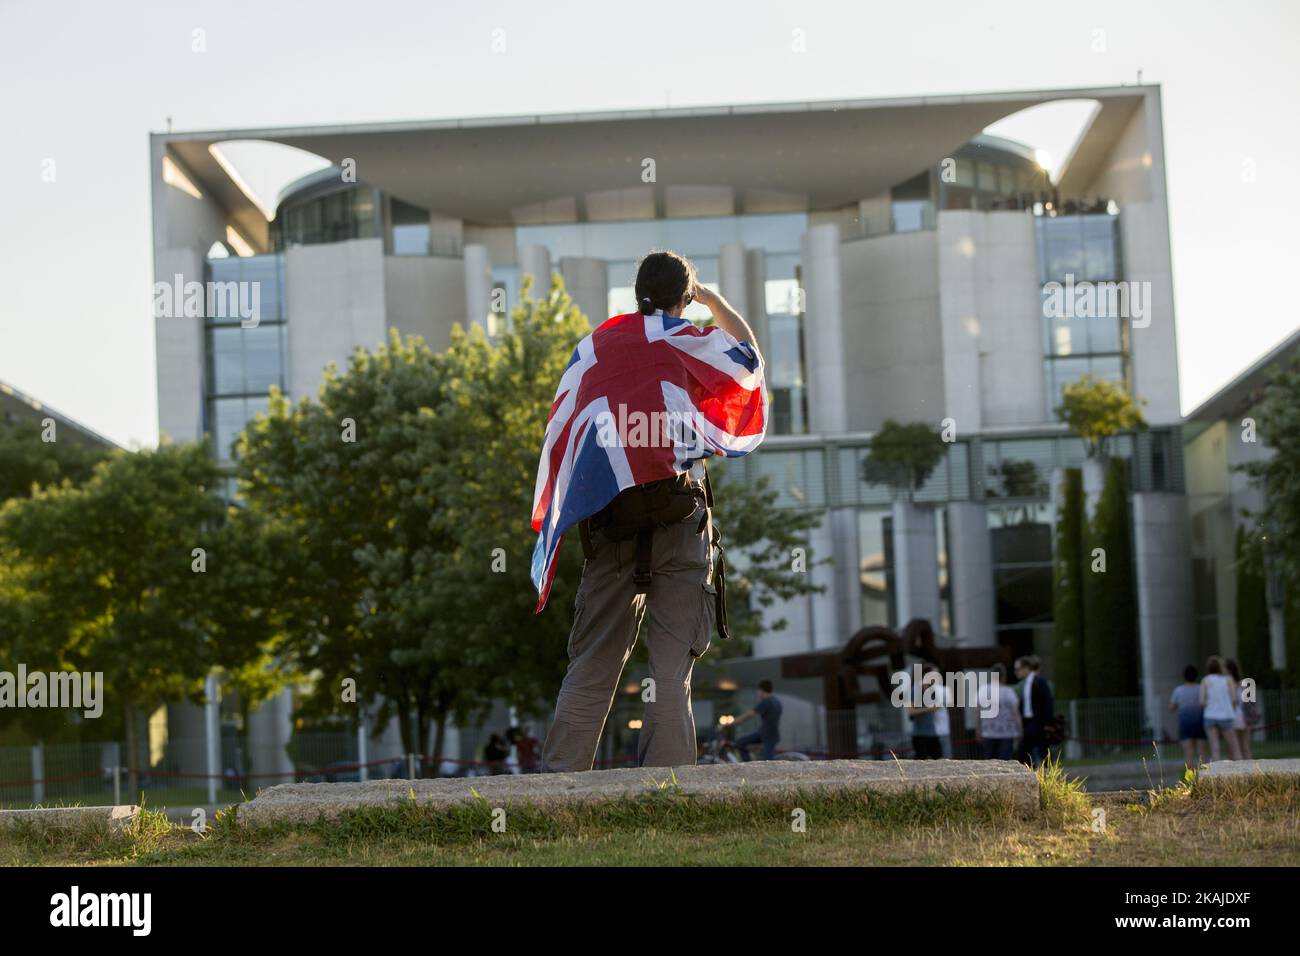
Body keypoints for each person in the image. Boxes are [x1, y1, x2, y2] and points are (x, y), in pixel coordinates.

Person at [533, 251, 767, 772]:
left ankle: (556, 791)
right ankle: (665, 792)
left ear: (633, 294)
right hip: (678, 522)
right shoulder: (686, 341)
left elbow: (563, 424)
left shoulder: (593, 347)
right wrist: (713, 301)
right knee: (668, 673)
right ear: (683, 299)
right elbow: (749, 360)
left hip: (611, 524)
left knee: (591, 664)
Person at [1200, 656, 1242, 761]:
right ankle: (1243, 774)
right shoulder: (1228, 680)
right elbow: (1234, 699)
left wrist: (1211, 705)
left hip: (1210, 716)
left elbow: (1201, 701)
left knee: (1215, 749)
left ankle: (1215, 775)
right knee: (1235, 748)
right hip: (1226, 716)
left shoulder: (1205, 680)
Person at [1014, 655, 1054, 767]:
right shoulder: (1026, 683)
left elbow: (1047, 702)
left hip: (1039, 722)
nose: (1016, 672)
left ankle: (1051, 777)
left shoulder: (1039, 681)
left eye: (1018, 669)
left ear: (1026, 668)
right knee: (1023, 753)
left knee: (1044, 753)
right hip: (1028, 723)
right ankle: (1031, 775)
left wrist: (1047, 723)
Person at [976, 663, 1022, 760]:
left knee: (988, 764)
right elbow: (1015, 714)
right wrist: (1020, 731)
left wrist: (978, 729)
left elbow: (978, 711)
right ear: (1004, 676)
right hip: (1007, 733)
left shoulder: (983, 690)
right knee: (1005, 763)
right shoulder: (1009, 692)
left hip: (988, 732)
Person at [731, 680, 783, 761]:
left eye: (758, 690)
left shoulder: (766, 702)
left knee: (768, 761)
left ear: (761, 690)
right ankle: (749, 766)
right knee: (740, 742)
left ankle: (749, 766)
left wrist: (734, 721)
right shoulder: (776, 701)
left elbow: (750, 714)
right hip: (768, 733)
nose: (757, 693)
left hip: (768, 734)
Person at [1168, 665, 1207, 769]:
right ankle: (1204, 778)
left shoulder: (1178, 690)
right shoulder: (1200, 689)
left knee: (1188, 754)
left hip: (1185, 724)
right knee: (1201, 753)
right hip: (1199, 723)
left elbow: (1171, 707)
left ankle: (1191, 780)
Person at [1224, 658, 1257, 760]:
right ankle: (1250, 771)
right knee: (1246, 747)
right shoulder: (1245, 682)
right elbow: (1252, 701)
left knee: (1233, 748)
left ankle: (1235, 773)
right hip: (1245, 716)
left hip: (1233, 715)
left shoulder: (1227, 683)